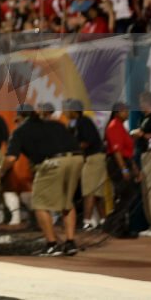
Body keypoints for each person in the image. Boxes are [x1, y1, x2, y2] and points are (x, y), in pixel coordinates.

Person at [0, 103, 83, 256]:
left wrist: (1, 170)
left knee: (39, 204)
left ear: (19, 118)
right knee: (67, 202)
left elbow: (11, 159)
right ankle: (70, 243)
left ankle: (52, 244)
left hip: (53, 162)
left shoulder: (19, 131)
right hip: (76, 159)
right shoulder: (55, 124)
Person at [63, 99, 106, 230]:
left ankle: (87, 221)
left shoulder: (84, 122)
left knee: (89, 191)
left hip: (94, 157)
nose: (65, 112)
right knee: (96, 192)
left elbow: (86, 142)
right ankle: (104, 221)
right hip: (95, 158)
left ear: (73, 110)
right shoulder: (74, 123)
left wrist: (71, 149)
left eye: (67, 109)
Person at [104, 102, 141, 237]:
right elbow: (117, 151)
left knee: (128, 194)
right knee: (126, 194)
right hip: (117, 163)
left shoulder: (121, 127)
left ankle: (116, 225)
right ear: (117, 112)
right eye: (125, 111)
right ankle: (114, 225)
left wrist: (134, 168)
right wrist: (124, 169)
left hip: (125, 162)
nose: (127, 113)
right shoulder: (114, 126)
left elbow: (128, 151)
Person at [132, 90, 151, 236]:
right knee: (146, 190)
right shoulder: (144, 118)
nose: (140, 105)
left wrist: (140, 134)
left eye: (142, 102)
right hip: (145, 155)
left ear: (147, 102)